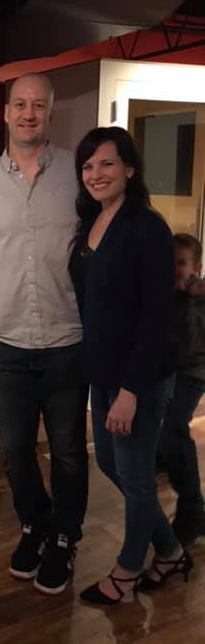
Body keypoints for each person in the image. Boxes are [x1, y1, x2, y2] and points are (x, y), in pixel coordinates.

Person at [0, 73, 88, 595]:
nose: (28, 113)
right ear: (5, 113)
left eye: (38, 105)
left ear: (50, 113)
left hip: (68, 340)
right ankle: (37, 523)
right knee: (13, 450)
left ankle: (67, 538)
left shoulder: (79, 174)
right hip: (5, 343)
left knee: (70, 451)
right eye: (19, 105)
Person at [69, 126, 192, 606]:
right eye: (88, 166)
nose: (96, 174)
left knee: (136, 475)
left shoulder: (147, 227)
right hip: (103, 369)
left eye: (106, 163)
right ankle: (170, 551)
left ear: (130, 169)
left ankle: (126, 572)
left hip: (138, 376)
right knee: (109, 462)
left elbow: (155, 317)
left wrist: (131, 390)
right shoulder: (92, 222)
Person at [157, 233, 205, 546]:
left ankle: (192, 510)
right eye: (170, 262)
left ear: (196, 267)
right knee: (165, 425)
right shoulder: (167, 294)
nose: (175, 269)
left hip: (194, 372)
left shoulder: (196, 293)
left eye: (182, 263)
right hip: (172, 371)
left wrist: (190, 293)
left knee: (174, 424)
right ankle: (166, 461)